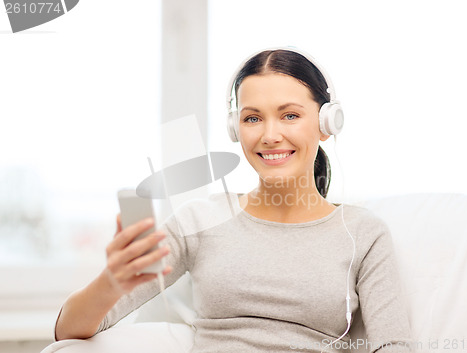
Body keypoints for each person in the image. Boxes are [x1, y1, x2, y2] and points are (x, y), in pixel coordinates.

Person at [54, 47, 413, 352]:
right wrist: (112, 282)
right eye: (253, 118)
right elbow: (67, 332)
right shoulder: (199, 220)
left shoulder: (363, 234)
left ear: (325, 123)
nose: (270, 135)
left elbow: (392, 346)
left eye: (290, 115)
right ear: (235, 128)